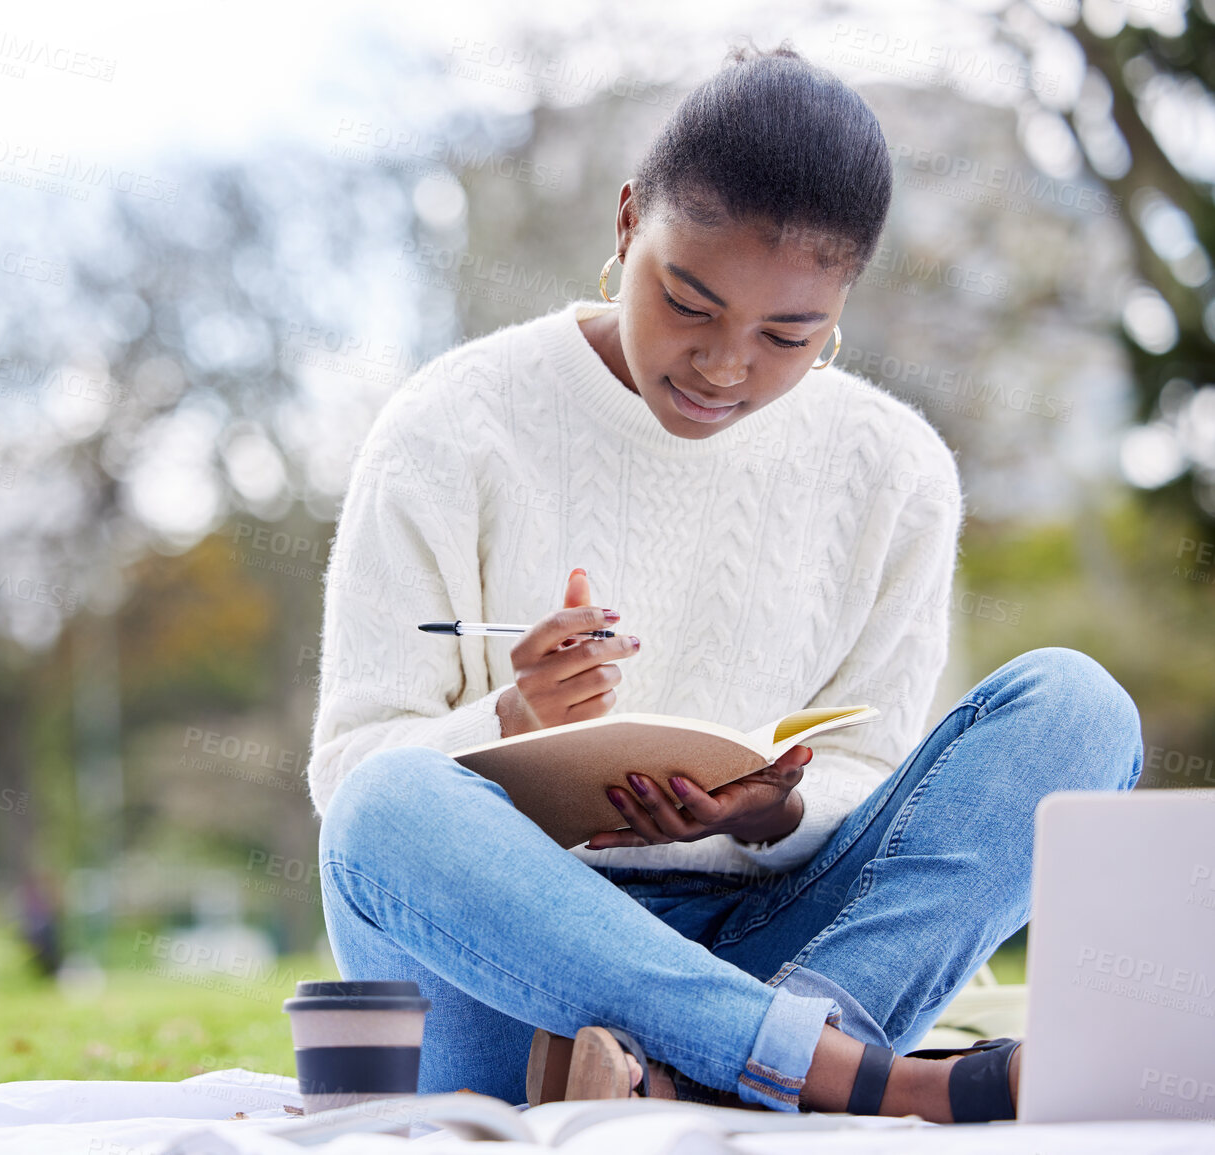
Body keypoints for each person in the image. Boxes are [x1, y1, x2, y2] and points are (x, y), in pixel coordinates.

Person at [304, 42, 1143, 1123]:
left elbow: (870, 766)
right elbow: (351, 780)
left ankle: (714, 1073)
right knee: (386, 806)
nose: (724, 366)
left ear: (841, 306)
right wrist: (509, 718)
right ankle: (842, 1079)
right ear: (625, 228)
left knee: (1079, 709)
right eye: (689, 304)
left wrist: (775, 810)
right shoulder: (452, 423)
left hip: (772, 946)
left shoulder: (896, 471)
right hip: (506, 973)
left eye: (787, 335)